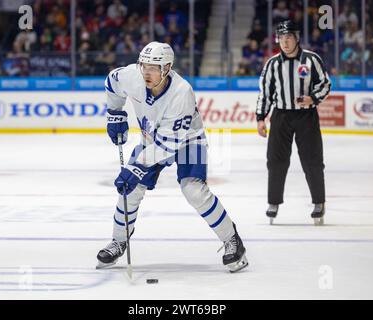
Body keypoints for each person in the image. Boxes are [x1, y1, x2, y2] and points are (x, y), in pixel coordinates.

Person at [96, 41, 249, 273]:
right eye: (144, 65)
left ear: (166, 68)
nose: (146, 71)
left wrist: (135, 167)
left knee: (193, 190)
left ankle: (232, 240)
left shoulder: (181, 91)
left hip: (188, 141)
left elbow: (168, 143)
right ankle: (119, 241)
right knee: (132, 189)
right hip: (151, 140)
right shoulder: (131, 76)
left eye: (153, 67)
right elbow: (111, 81)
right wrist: (115, 113)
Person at [256, 20, 331, 225]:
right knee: (275, 160)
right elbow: (266, 93)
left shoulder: (311, 59)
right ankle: (273, 202)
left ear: (297, 38)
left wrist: (313, 98)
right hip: (281, 116)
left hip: (306, 116)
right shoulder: (272, 64)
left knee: (312, 160)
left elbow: (325, 84)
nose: (285, 42)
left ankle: (318, 202)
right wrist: (261, 118)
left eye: (289, 38)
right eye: (281, 38)